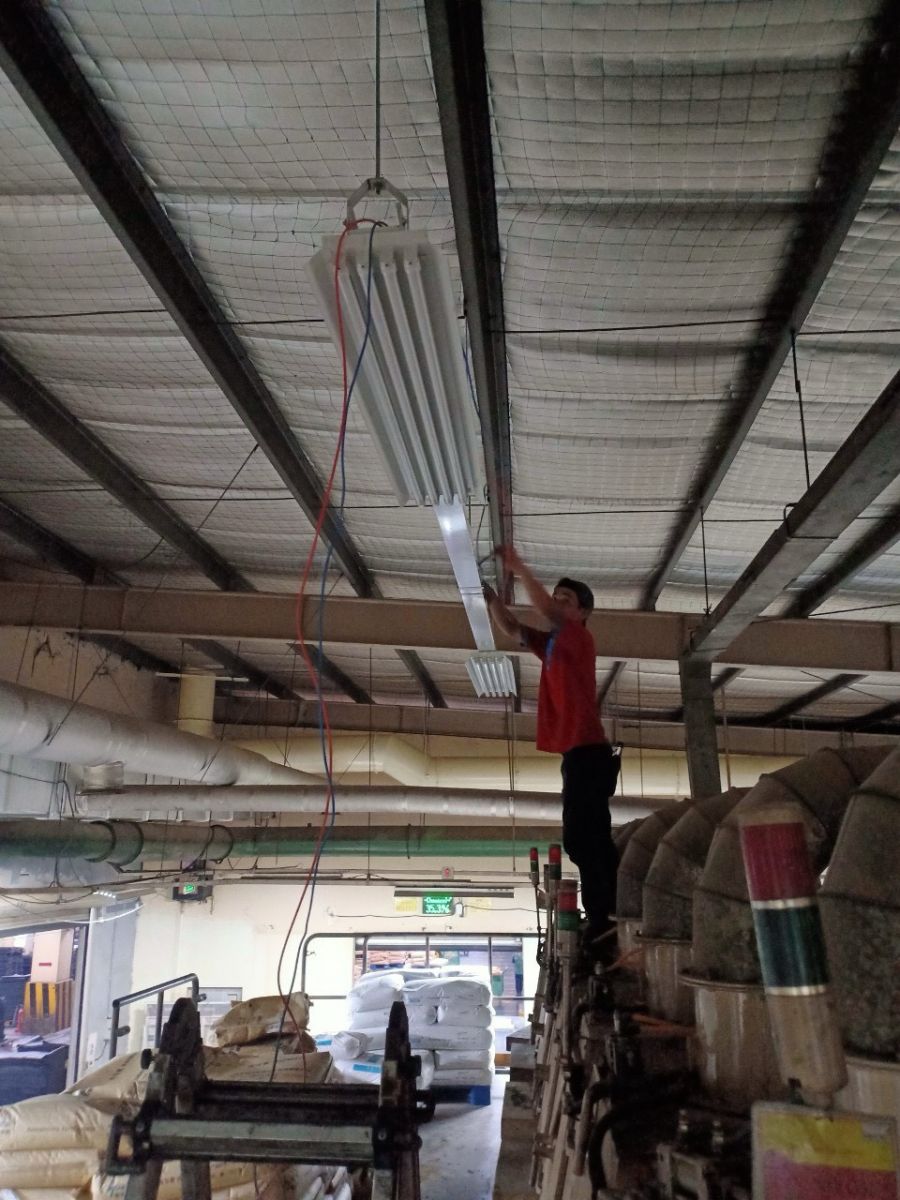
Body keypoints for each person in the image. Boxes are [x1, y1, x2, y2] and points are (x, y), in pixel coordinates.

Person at [483, 546, 619, 946]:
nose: (558, 603)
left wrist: (518, 567)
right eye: (556, 596)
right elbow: (513, 628)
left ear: (583, 612)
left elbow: (546, 611)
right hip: (579, 755)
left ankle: (605, 917)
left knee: (585, 839)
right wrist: (491, 601)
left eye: (566, 599)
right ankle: (604, 915)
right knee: (584, 838)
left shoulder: (578, 637)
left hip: (589, 753)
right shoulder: (555, 643)